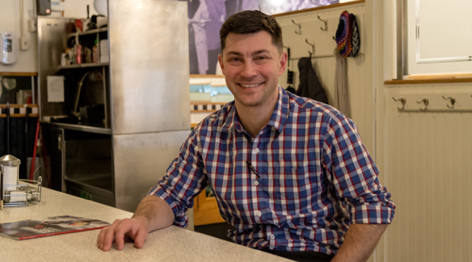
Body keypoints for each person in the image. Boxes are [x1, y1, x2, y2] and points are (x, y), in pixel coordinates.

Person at [97, 10, 395, 262]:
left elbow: (373, 206)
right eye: (236, 59)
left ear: (281, 63)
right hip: (241, 254)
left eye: (260, 57)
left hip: (316, 254)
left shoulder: (326, 125)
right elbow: (171, 194)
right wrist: (140, 220)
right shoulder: (208, 133)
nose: (248, 71)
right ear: (223, 66)